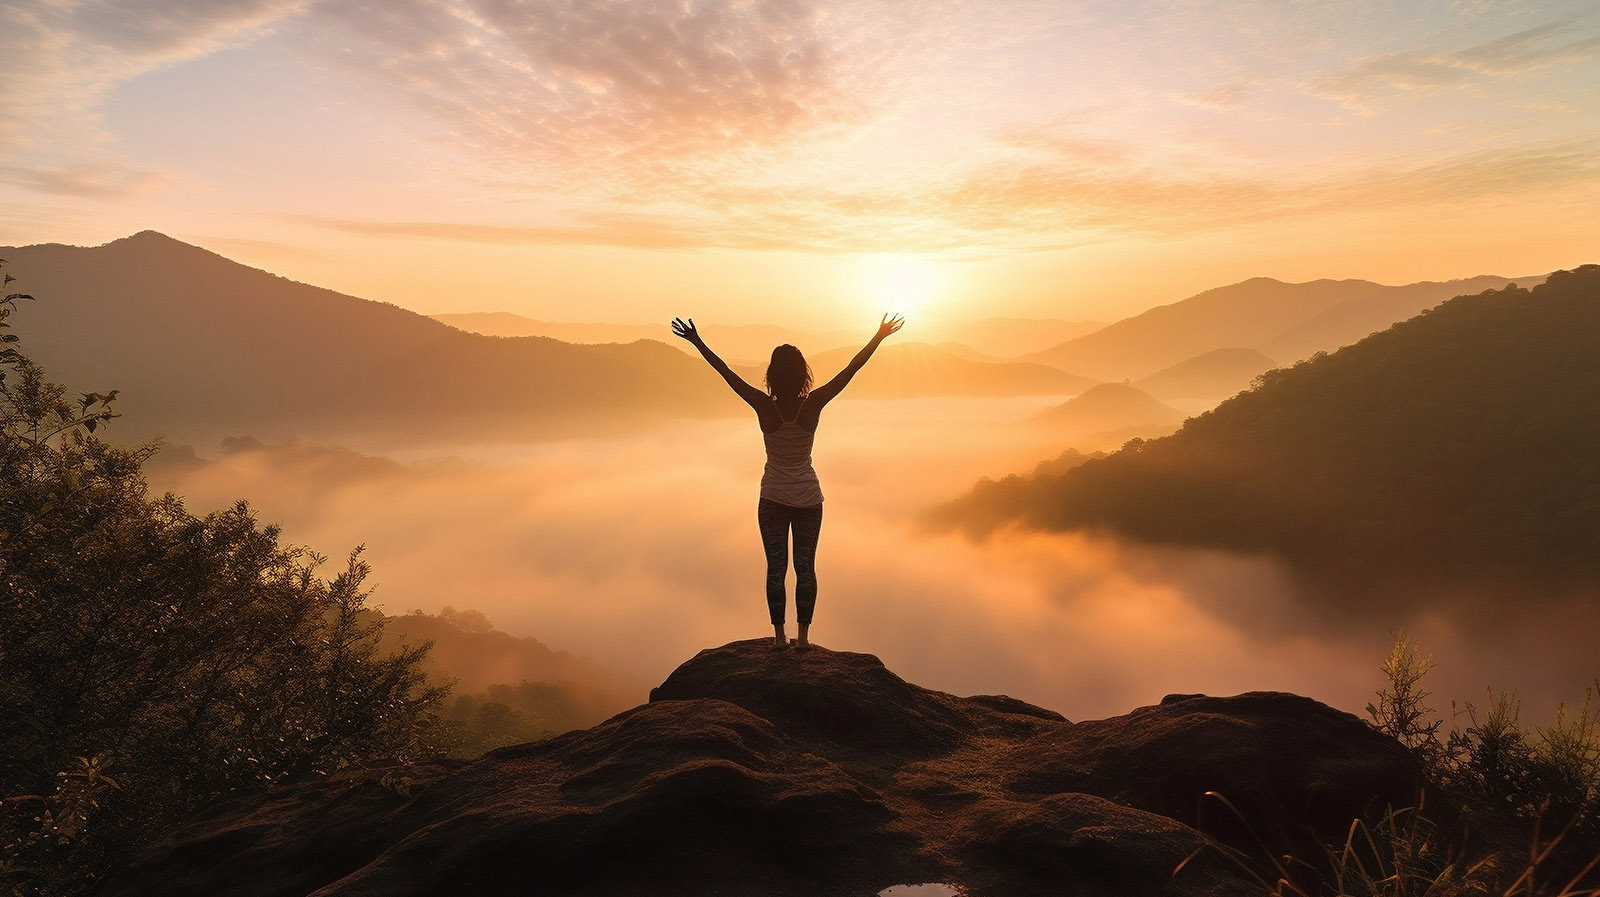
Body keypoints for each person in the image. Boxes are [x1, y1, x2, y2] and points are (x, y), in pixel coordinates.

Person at [671, 314, 904, 648]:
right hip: (810, 498)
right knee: (806, 568)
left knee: (776, 568)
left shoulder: (763, 405)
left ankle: (780, 638)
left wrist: (697, 341)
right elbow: (851, 369)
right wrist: (879, 336)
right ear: (803, 374)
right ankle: (805, 638)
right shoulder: (814, 404)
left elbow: (725, 372)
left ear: (772, 375)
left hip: (773, 498)